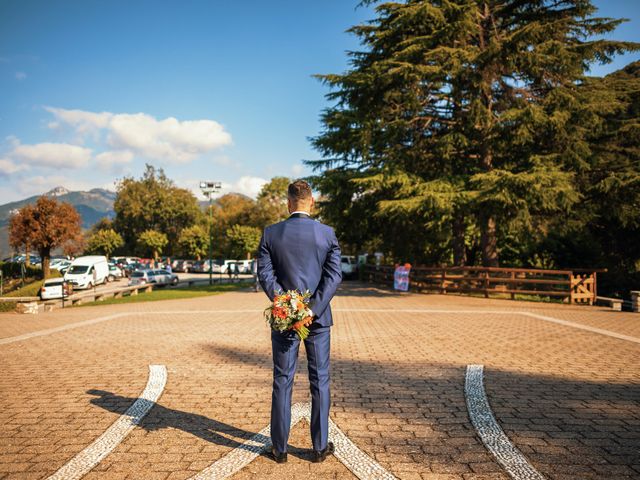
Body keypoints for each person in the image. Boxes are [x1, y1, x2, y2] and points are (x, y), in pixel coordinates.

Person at [257, 179, 342, 464]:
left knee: (283, 379)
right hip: (318, 320)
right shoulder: (327, 234)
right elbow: (334, 276)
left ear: (289, 203)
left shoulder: (271, 234)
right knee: (320, 380)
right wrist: (312, 309)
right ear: (312, 201)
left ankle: (279, 449)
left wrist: (287, 305)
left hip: (284, 319)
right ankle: (319, 448)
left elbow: (265, 276)